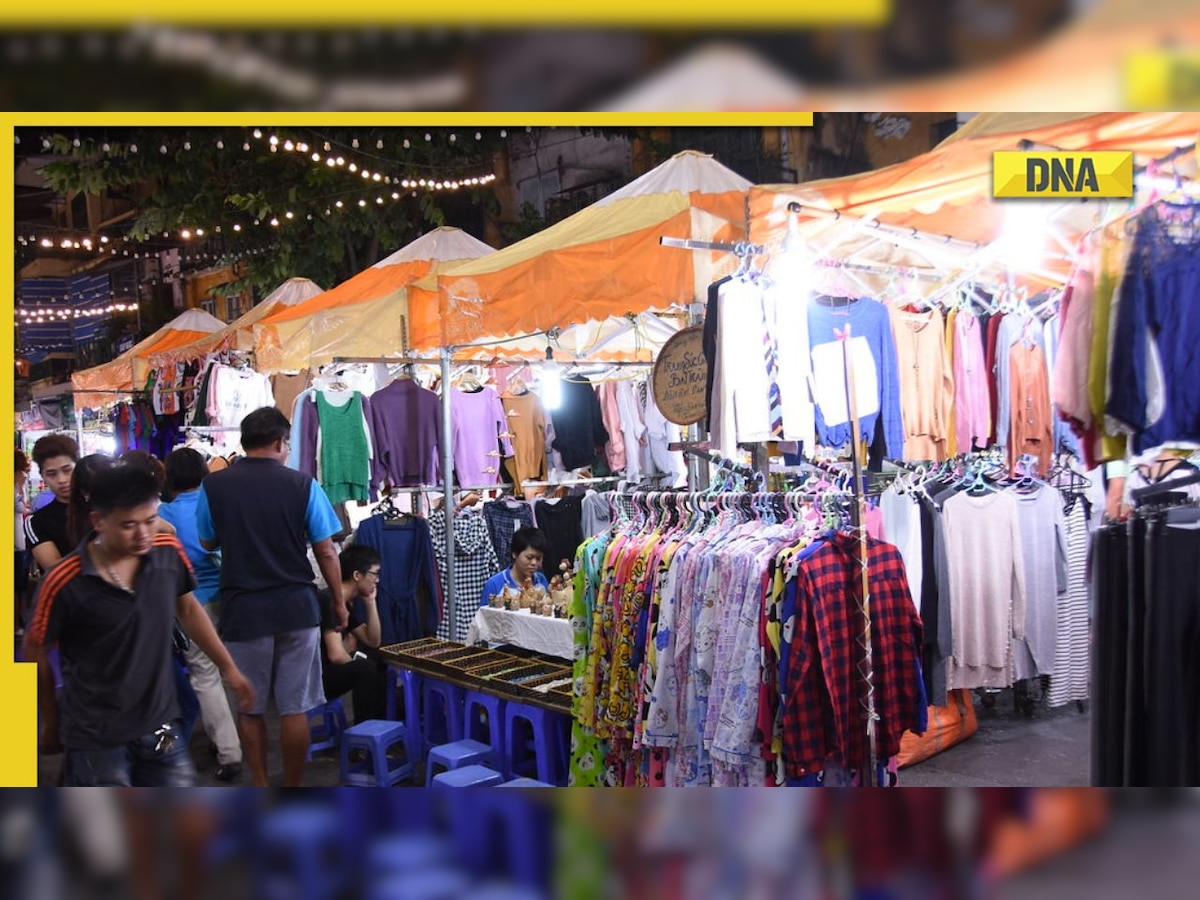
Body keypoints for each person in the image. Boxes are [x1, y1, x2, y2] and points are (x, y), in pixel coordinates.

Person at [22, 466, 254, 786]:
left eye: (150, 520)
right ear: (98, 521)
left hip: (160, 729)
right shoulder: (64, 580)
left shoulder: (166, 553)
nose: (144, 534)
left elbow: (187, 607)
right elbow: (35, 649)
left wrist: (229, 668)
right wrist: (50, 719)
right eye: (129, 525)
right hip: (96, 739)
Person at [196, 406, 346, 787]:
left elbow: (207, 539)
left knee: (251, 708)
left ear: (244, 443)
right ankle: (292, 787)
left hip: (244, 610)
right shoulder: (303, 484)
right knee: (296, 707)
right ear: (281, 443)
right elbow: (327, 550)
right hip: (296, 606)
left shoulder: (213, 485)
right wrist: (340, 602)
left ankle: (260, 786)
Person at [159, 448, 243, 782]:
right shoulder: (219, 502)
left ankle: (229, 751)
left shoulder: (164, 514)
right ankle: (234, 738)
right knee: (230, 670)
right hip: (232, 596)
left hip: (192, 604)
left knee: (205, 675)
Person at [318, 544, 387, 724]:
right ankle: (362, 740)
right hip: (316, 680)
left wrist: (371, 603)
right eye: (375, 573)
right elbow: (336, 655)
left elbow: (373, 641)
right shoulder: (331, 601)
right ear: (357, 575)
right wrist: (362, 663)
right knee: (366, 669)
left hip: (329, 673)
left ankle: (379, 724)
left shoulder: (344, 602)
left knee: (378, 657)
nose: (377, 580)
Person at [24, 433, 78, 573]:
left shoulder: (101, 508)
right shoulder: (36, 522)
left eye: (67, 470)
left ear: (78, 468)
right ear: (43, 477)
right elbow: (56, 569)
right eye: (52, 474)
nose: (61, 479)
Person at [480, 526, 551, 607]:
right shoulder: (494, 584)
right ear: (515, 554)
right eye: (529, 558)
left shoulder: (541, 580)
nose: (534, 563)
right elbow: (485, 616)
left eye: (539, 558)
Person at [15, 449, 31, 632]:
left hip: (18, 539)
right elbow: (20, 507)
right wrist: (20, 486)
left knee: (20, 583)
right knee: (18, 584)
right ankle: (16, 623)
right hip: (14, 541)